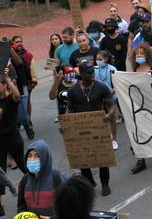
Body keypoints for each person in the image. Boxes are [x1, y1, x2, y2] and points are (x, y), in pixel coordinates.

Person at [63, 61, 114, 196]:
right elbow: (70, 108)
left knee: (102, 156)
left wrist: (109, 115)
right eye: (89, 73)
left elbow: (112, 104)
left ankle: (105, 183)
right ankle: (90, 182)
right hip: (82, 128)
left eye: (93, 72)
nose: (92, 74)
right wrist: (66, 123)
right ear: (82, 74)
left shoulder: (101, 87)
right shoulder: (73, 91)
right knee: (84, 158)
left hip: (98, 127)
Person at [129, 44, 152, 175]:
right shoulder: (135, 70)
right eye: (137, 54)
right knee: (138, 132)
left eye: (142, 54)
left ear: (147, 55)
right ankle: (141, 160)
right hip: (140, 105)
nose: (139, 56)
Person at [0, 65, 27, 216]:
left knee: (24, 165)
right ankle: (0, 205)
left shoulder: (10, 100)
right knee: (0, 172)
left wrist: (8, 80)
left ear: (4, 87)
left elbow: (17, 96)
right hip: (0, 141)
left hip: (13, 138)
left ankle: (39, 187)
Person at [17, 140, 68, 218]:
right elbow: (21, 206)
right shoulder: (25, 180)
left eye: (37, 156)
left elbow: (69, 208)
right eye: (29, 156)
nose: (32, 159)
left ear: (45, 157)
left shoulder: (57, 178)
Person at [94, 51, 119, 150]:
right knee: (101, 119)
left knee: (112, 118)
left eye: (100, 59)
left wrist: (111, 92)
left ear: (106, 59)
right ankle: (105, 138)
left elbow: (116, 83)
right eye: (97, 59)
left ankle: (114, 140)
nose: (98, 61)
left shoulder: (112, 69)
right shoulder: (95, 69)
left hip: (110, 97)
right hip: (98, 98)